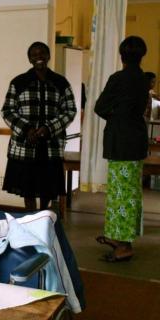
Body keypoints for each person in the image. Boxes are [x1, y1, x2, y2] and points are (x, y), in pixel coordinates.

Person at [1, 42, 76, 211]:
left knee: (47, 190)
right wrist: (27, 129)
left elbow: (70, 110)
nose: (38, 57)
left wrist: (49, 128)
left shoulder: (61, 82)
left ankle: (43, 217)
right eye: (34, 54)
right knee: (27, 189)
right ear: (29, 59)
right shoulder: (19, 82)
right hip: (25, 146)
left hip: (51, 147)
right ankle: (30, 218)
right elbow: (7, 111)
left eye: (42, 53)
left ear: (48, 56)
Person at [94, 36, 149, 262]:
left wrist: (116, 119)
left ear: (121, 55)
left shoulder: (118, 78)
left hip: (121, 141)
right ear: (141, 55)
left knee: (120, 194)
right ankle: (120, 237)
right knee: (130, 193)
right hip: (137, 140)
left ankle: (124, 246)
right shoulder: (144, 79)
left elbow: (100, 107)